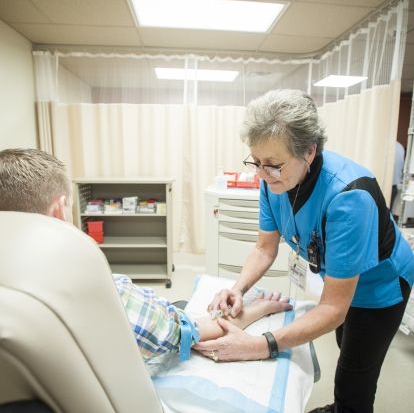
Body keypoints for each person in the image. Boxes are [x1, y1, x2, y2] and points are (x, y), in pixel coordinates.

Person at [194, 89, 414, 413]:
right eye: (257, 162)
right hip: (339, 281)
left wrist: (261, 346)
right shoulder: (274, 183)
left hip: (380, 287)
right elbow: (264, 248)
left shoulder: (349, 197)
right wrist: (237, 289)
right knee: (345, 346)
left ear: (309, 151)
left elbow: (334, 308)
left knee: (356, 374)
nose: (263, 174)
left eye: (273, 164)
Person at [0, 148, 292, 375]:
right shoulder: (94, 287)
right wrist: (258, 310)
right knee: (183, 310)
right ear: (58, 211)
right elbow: (187, 330)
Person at [390, 140, 405, 212]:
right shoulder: (400, 147)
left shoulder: (387, 145)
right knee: (389, 210)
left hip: (385, 183)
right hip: (394, 185)